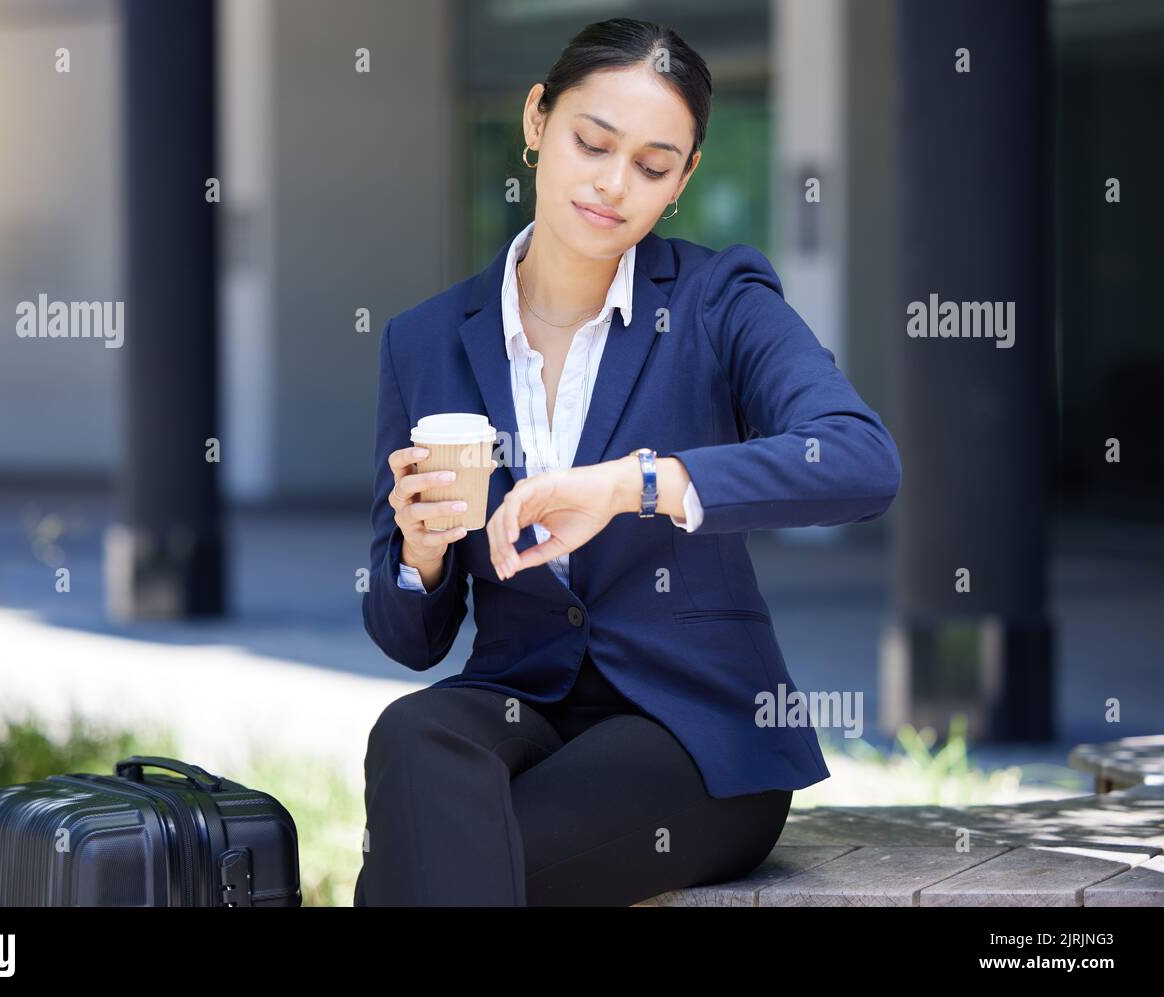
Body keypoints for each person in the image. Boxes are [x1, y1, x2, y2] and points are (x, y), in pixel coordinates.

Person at [356, 16, 901, 906]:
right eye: (591, 142)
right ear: (536, 120)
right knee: (413, 734)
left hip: (693, 731)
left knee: (432, 860)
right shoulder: (424, 342)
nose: (613, 185)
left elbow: (859, 459)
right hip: (522, 703)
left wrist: (633, 484)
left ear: (684, 179)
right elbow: (409, 639)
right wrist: (418, 555)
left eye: (652, 165)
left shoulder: (719, 299)